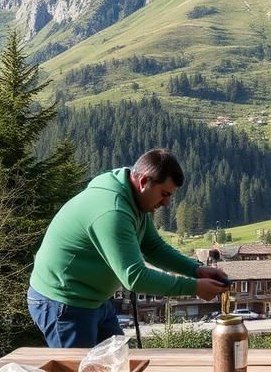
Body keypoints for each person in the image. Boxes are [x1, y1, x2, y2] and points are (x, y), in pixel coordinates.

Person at [27, 148, 229, 348]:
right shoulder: (113, 211)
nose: (167, 203)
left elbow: (153, 247)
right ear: (143, 182)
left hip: (95, 301)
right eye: (164, 194)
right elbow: (134, 277)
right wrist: (193, 287)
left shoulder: (134, 198)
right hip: (64, 304)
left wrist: (195, 270)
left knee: (117, 362)